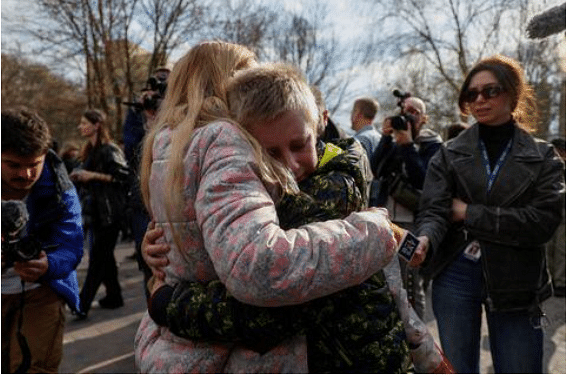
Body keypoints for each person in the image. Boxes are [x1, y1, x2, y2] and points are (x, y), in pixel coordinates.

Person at [134, 41, 400, 373]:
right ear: (225, 82)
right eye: (247, 77)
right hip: (236, 352)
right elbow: (259, 264)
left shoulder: (167, 145)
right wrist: (373, 233)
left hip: (175, 349)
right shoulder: (223, 139)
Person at [412, 54, 565, 373]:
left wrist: (469, 213)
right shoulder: (449, 153)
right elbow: (435, 210)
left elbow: (541, 223)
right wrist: (425, 238)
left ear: (512, 93)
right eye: (472, 94)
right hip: (454, 271)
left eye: (490, 91)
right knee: (458, 368)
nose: (479, 99)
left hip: (517, 278)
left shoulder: (543, 156)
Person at [1, 107, 84, 373]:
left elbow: (71, 245)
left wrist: (49, 264)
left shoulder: (61, 191)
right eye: (13, 165)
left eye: (33, 166)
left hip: (42, 292)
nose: (25, 175)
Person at [369, 95, 442, 319]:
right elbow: (375, 169)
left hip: (413, 224)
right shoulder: (392, 142)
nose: (408, 114)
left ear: (424, 118)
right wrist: (385, 137)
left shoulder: (433, 146)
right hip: (387, 221)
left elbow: (424, 180)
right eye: (405, 109)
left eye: (415, 111)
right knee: (384, 280)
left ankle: (416, 339)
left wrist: (409, 146)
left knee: (410, 281)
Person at [70, 109, 130, 318]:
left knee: (97, 260)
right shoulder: (90, 150)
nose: (80, 126)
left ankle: (81, 305)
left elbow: (123, 177)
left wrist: (91, 175)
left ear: (96, 125)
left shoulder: (109, 149)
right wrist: (80, 176)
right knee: (105, 258)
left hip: (110, 214)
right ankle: (114, 297)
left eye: (84, 123)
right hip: (96, 212)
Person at [123, 67, 169, 298]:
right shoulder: (137, 114)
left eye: (162, 85)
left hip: (172, 198)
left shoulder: (180, 110)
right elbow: (130, 150)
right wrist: (144, 118)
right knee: (149, 261)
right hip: (142, 200)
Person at [547, 137, 565, 297]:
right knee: (549, 247)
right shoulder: (549, 165)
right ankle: (553, 279)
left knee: (562, 249)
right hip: (550, 212)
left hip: (564, 213)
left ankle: (561, 281)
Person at [350, 96, 381, 162]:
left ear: (358, 114)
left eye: (353, 111)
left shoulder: (358, 140)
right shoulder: (380, 139)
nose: (351, 115)